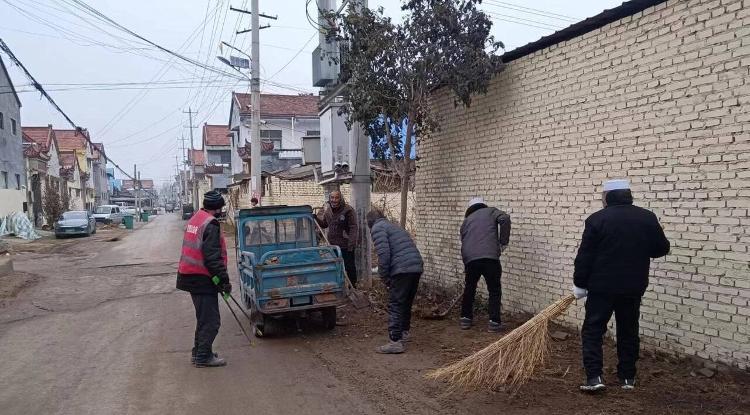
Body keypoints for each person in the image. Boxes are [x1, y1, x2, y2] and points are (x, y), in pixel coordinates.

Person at [574, 179, 670, 392]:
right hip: (633, 286)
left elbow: (585, 256)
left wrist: (579, 283)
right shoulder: (647, 217)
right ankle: (627, 378)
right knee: (628, 329)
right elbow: (661, 249)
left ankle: (594, 378)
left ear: (607, 197)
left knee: (593, 330)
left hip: (601, 287)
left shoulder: (597, 220)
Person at [176, 190, 232, 368]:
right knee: (211, 321)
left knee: (203, 318)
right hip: (201, 278)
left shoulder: (196, 218)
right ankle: (202, 357)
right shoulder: (211, 224)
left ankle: (200, 352)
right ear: (217, 208)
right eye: (221, 208)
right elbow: (212, 258)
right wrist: (224, 281)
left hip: (190, 276)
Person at [368, 209, 423, 354]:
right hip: (416, 266)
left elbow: (384, 254)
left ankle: (395, 341)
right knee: (405, 302)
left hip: (402, 269)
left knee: (396, 303)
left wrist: (384, 276)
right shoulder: (393, 226)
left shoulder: (377, 228)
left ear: (370, 222)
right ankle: (404, 332)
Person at [459, 197, 511, 333]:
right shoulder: (491, 211)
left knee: (469, 289)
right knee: (494, 290)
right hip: (490, 258)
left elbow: (464, 244)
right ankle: (494, 322)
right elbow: (505, 219)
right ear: (483, 205)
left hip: (471, 260)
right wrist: (503, 242)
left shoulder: (466, 222)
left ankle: (465, 318)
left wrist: (466, 264)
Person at [316, 190, 359, 286]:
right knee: (336, 266)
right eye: (332, 198)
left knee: (349, 267)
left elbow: (353, 227)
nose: (334, 200)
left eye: (336, 197)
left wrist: (351, 244)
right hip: (333, 245)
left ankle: (353, 286)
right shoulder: (328, 211)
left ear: (341, 199)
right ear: (329, 199)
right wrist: (316, 218)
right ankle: (339, 285)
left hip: (346, 245)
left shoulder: (348, 210)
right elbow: (324, 224)